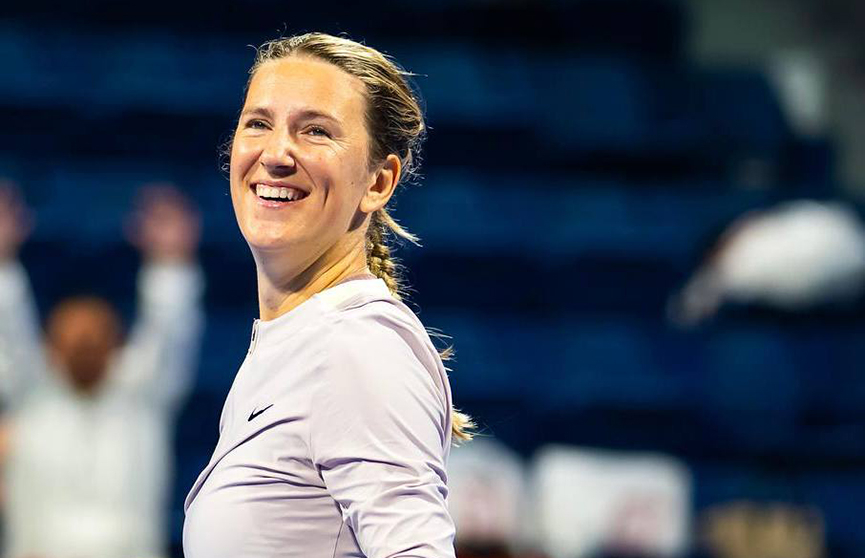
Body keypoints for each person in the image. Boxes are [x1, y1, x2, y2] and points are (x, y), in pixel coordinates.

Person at [182, 32, 473, 558]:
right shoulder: (300, 342)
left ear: (378, 182)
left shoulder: (355, 346)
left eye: (315, 131)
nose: (276, 154)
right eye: (259, 123)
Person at [0, 182, 205, 558]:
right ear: (50, 347)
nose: (84, 343)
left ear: (117, 345)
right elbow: (8, 328)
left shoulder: (143, 393)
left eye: (94, 336)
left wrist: (172, 262)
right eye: (72, 336)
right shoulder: (30, 392)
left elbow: (170, 330)